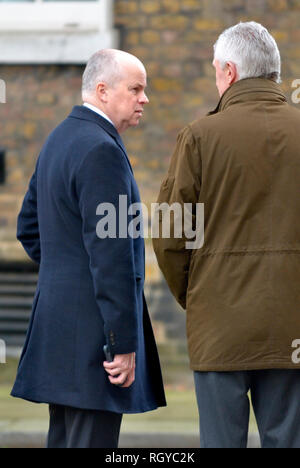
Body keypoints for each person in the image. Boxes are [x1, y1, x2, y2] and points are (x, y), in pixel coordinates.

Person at [153, 22, 300, 448]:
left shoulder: (199, 137)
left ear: (230, 72)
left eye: (216, 69)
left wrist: (197, 295)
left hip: (219, 326)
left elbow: (168, 235)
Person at [12, 49, 166, 449]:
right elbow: (112, 257)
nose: (144, 99)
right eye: (135, 89)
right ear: (102, 90)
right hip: (96, 344)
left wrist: (68, 278)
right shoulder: (102, 151)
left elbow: (28, 228)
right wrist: (122, 344)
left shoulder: (59, 137)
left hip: (59, 333)